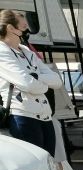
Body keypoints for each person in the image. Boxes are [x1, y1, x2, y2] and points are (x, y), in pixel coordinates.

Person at [0, 9, 63, 155]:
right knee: (34, 165)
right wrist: (43, 84)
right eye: (23, 28)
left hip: (45, 115)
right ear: (10, 28)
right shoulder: (2, 51)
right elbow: (26, 83)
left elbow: (57, 81)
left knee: (49, 163)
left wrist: (36, 76)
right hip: (23, 116)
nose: (27, 31)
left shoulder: (26, 51)